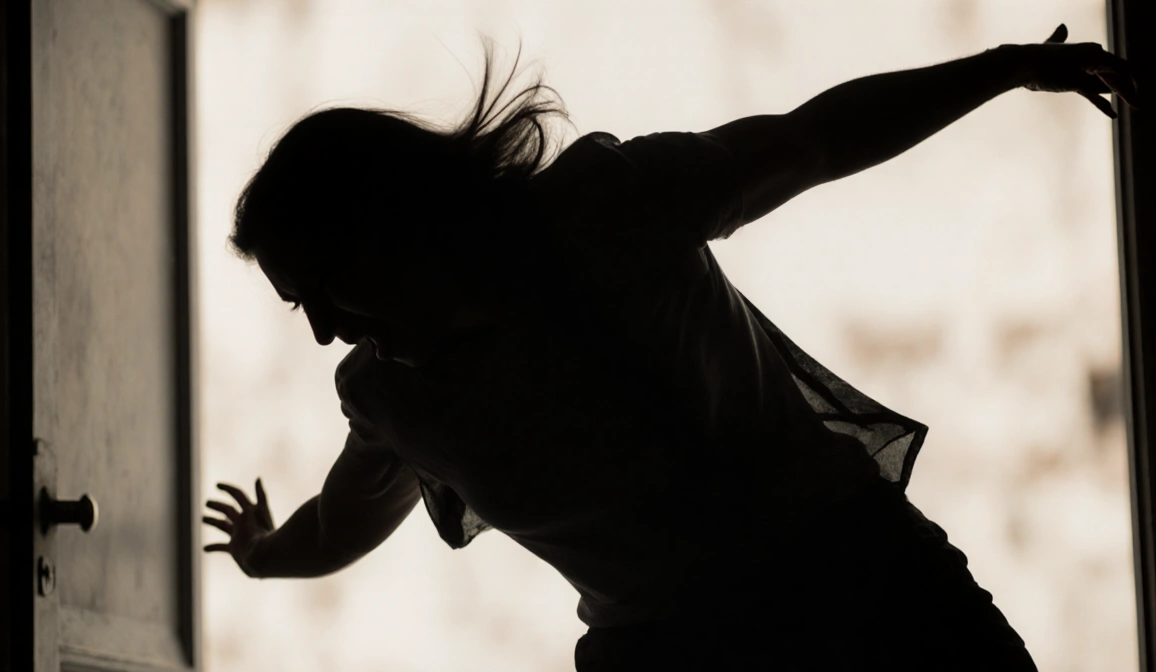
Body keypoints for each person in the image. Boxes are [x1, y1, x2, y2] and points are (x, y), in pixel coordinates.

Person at [202, 24, 1139, 670]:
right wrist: (259, 553)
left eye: (324, 286)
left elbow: (814, 140)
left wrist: (1007, 68)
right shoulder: (388, 399)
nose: (325, 328)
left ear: (387, 223)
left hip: (863, 586)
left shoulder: (607, 204)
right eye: (300, 310)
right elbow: (335, 526)